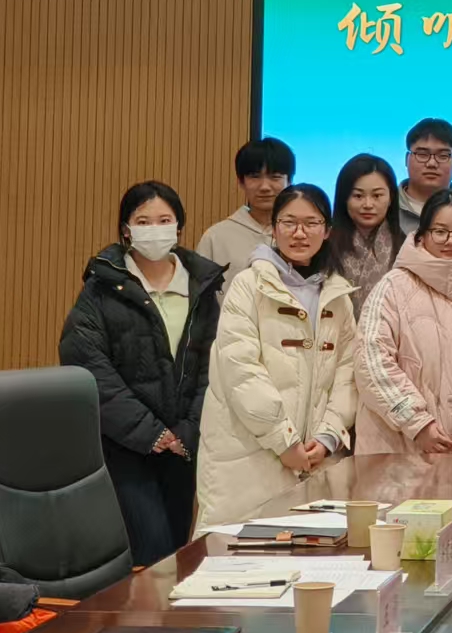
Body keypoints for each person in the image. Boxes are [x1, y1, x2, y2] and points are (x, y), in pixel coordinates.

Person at [59, 182, 225, 565]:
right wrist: (151, 433)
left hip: (184, 445)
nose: (155, 229)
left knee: (179, 554)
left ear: (179, 227)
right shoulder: (103, 287)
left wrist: (187, 430)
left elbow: (215, 365)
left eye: (164, 220)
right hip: (127, 447)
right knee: (152, 554)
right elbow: (87, 363)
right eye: (143, 221)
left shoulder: (201, 286)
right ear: (126, 229)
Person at [194, 183, 359, 528]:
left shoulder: (337, 295)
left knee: (311, 550)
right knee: (240, 550)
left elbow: (348, 373)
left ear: (328, 230)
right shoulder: (248, 285)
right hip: (249, 452)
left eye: (311, 223)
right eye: (289, 222)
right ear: (273, 228)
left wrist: (327, 437)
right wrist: (284, 442)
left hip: (316, 457)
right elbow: (241, 371)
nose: (300, 233)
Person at [354, 190, 452, 456]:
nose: (451, 240)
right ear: (422, 235)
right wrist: (417, 422)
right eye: (440, 231)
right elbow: (371, 361)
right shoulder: (393, 287)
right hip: (394, 449)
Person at [196, 137, 295, 284]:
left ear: (290, 181)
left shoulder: (304, 235)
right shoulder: (216, 237)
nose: (265, 187)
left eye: (275, 177)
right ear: (241, 182)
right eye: (255, 177)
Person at [328, 154, 401, 302]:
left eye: (377, 196)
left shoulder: (406, 247)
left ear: (391, 198)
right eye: (358, 196)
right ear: (344, 199)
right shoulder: (325, 244)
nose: (368, 204)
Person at [398, 118, 452, 237]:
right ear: (407, 159)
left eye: (443, 155)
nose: (431, 163)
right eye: (422, 154)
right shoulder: (383, 209)